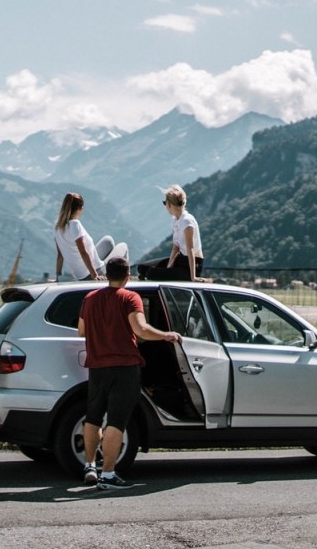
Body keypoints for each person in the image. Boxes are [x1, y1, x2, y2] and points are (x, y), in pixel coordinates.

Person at [77, 257, 180, 490]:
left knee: (93, 416)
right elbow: (140, 329)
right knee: (116, 420)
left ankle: (90, 466)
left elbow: (81, 331)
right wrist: (167, 335)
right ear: (127, 276)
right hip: (124, 367)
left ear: (106, 273)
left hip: (97, 367)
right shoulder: (130, 297)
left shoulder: (90, 298)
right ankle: (108, 475)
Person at [54, 192, 128, 281]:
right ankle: (126, 277)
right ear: (80, 208)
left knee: (108, 240)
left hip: (80, 273)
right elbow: (83, 252)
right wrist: (95, 275)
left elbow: (60, 255)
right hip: (94, 271)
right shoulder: (75, 225)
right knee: (123, 246)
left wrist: (58, 277)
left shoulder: (58, 227)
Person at [137, 184, 204, 282]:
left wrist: (193, 277)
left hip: (192, 265)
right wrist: (168, 268)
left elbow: (191, 250)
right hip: (180, 259)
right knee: (142, 268)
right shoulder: (175, 220)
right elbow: (176, 247)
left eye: (165, 203)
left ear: (169, 204)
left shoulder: (187, 221)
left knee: (151, 273)